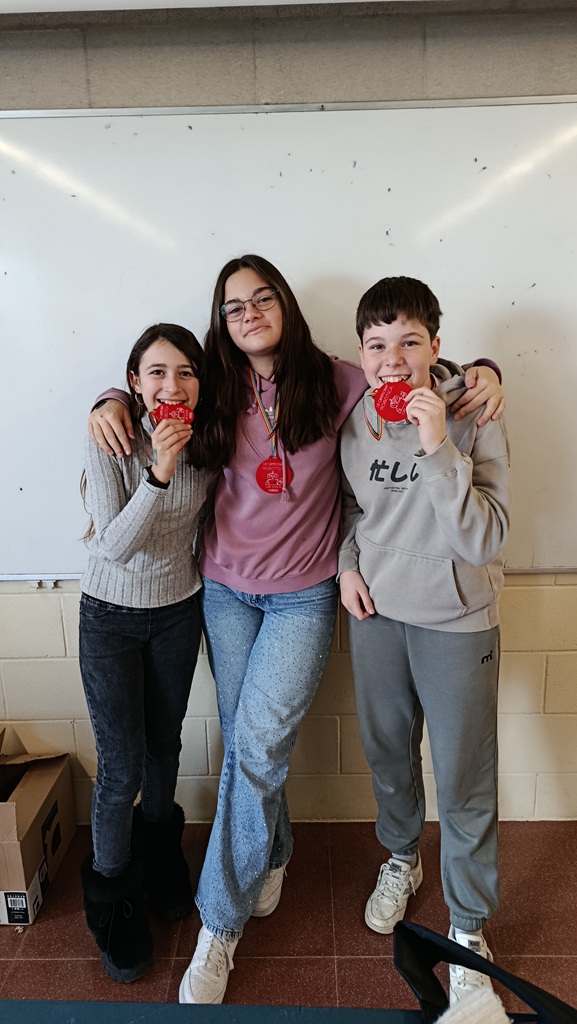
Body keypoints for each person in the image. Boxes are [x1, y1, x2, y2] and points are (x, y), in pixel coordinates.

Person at [87, 255, 504, 1005]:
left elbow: (414, 367)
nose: (248, 313)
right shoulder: (213, 385)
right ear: (221, 321)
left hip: (303, 598)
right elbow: (159, 384)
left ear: (285, 304)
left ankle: (218, 928)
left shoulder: (339, 381)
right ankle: (272, 851)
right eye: (233, 305)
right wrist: (109, 397)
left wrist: (485, 370)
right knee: (248, 740)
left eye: (262, 298)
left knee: (254, 747)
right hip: (224, 592)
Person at [338, 276, 511, 1005]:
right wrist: (347, 565)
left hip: (456, 619)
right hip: (377, 614)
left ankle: (468, 924)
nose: (393, 360)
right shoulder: (356, 417)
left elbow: (484, 537)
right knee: (387, 753)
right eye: (377, 345)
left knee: (464, 774)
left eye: (409, 342)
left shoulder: (473, 409)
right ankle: (402, 858)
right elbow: (352, 507)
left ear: (435, 346)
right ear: (361, 353)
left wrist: (438, 446)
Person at [79, 324, 210, 983]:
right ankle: (111, 897)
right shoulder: (114, 436)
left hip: (178, 612)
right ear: (134, 382)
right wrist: (158, 468)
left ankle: (160, 861)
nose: (171, 386)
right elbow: (114, 546)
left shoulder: (208, 440)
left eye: (185, 372)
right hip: (109, 617)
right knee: (120, 767)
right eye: (156, 372)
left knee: (164, 749)